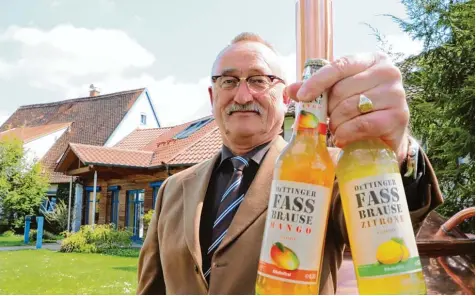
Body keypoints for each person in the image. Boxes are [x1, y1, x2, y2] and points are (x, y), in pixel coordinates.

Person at [136, 32, 443, 295]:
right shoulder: (173, 188)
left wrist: (397, 153)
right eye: (228, 81)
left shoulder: (331, 170)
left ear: (287, 98)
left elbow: (383, 217)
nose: (243, 94)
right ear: (212, 94)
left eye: (259, 80)